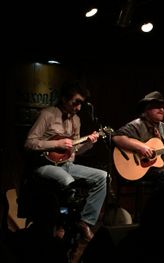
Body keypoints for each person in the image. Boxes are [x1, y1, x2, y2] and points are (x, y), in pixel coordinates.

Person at [24, 81, 107, 244]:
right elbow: (29, 143)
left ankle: (85, 222)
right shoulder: (48, 114)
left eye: (81, 104)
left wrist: (89, 143)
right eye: (75, 102)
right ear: (64, 99)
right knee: (67, 181)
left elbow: (75, 150)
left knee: (102, 176)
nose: (78, 107)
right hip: (44, 165)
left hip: (68, 164)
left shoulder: (76, 119)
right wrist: (56, 144)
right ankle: (61, 223)